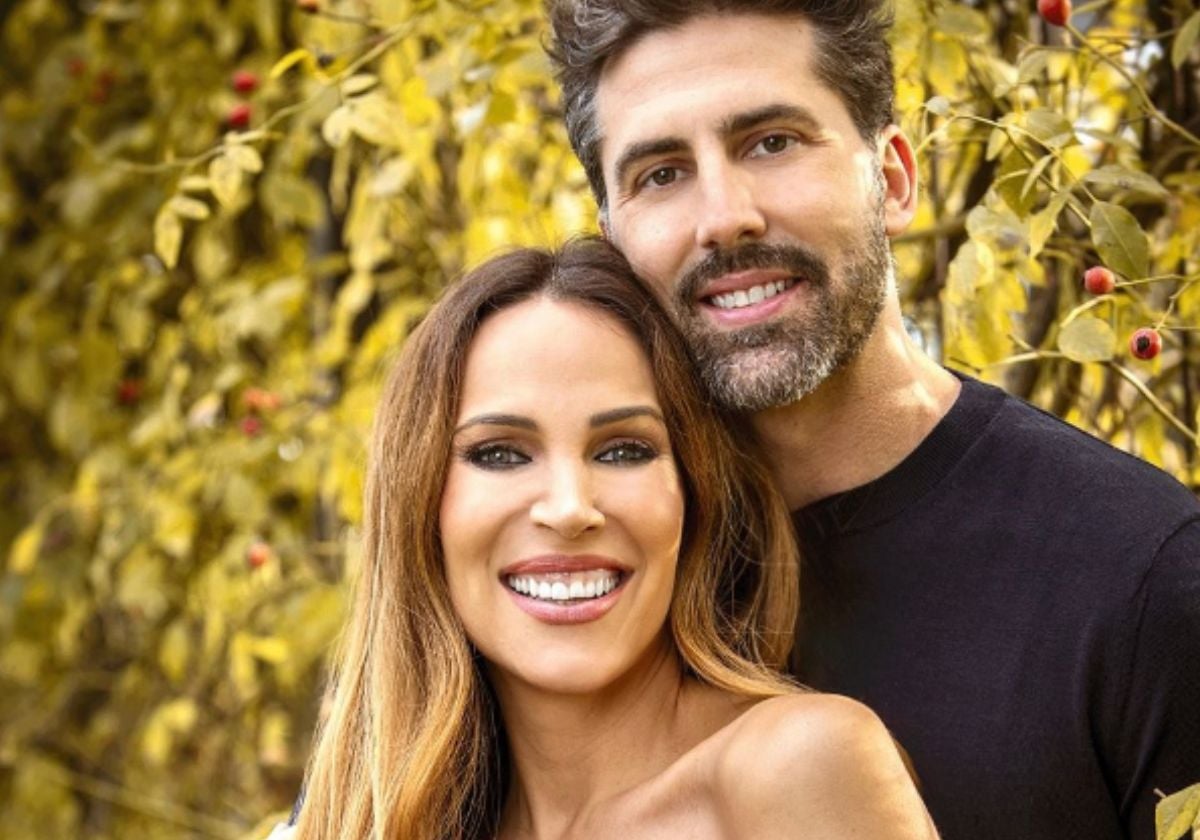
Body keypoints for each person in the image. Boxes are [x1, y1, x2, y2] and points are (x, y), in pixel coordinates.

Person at [545, 2, 1200, 840]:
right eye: (661, 174)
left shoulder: (1141, 580)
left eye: (771, 142)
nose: (724, 217)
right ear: (611, 241)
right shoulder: (587, 581)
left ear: (891, 179)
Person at [274, 239, 937, 839]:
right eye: (500, 454)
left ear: (694, 497)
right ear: (420, 506)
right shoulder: (369, 823)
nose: (569, 509)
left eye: (624, 450)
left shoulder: (796, 765)